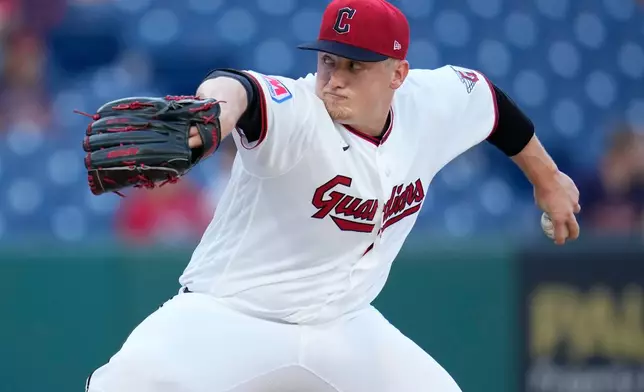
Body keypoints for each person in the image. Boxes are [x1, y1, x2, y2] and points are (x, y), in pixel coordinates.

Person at [85, 0, 581, 390]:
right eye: (328, 61)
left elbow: (491, 105)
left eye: (355, 66)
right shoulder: (300, 112)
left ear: (398, 74)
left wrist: (548, 180)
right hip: (232, 315)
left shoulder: (433, 103)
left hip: (344, 325)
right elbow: (243, 90)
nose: (334, 80)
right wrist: (215, 110)